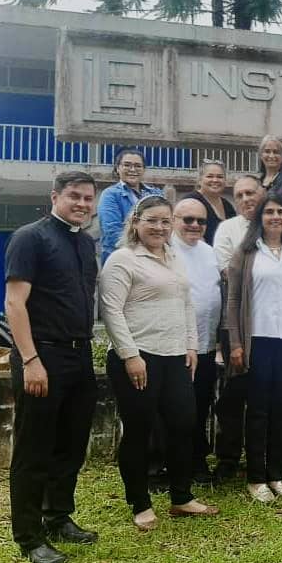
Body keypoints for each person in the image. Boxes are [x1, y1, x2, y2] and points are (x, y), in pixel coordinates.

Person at [99, 195, 219, 531]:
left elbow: (186, 304)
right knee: (140, 431)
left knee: (183, 424)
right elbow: (111, 311)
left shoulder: (173, 257)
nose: (159, 227)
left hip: (175, 356)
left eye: (166, 221)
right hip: (138, 358)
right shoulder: (123, 260)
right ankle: (140, 503)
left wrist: (191, 346)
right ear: (136, 222)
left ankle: (181, 497)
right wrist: (130, 355)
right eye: (152, 220)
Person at [5, 171, 99, 563]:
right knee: (34, 450)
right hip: (42, 356)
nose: (81, 204)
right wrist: (30, 360)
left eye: (88, 198)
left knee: (71, 446)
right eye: (74, 196)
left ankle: (58, 516)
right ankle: (29, 537)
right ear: (55, 197)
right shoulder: (31, 237)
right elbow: (14, 303)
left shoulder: (84, 242)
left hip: (79, 356)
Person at [225, 193, 282, 503]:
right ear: (260, 217)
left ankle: (275, 474)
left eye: (281, 212)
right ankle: (255, 478)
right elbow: (233, 300)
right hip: (258, 342)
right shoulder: (247, 253)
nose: (275, 216)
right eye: (269, 212)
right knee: (259, 410)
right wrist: (236, 342)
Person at [211, 174, 264, 483]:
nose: (246, 199)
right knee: (231, 398)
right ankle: (228, 459)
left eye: (251, 193)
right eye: (240, 194)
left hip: (270, 327)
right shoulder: (227, 229)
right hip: (235, 321)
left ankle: (265, 457)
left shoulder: (276, 226)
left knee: (264, 398)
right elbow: (228, 274)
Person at [170, 198, 222, 481]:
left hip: (205, 346)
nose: (194, 226)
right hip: (172, 347)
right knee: (168, 410)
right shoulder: (164, 250)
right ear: (175, 219)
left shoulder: (209, 252)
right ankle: (160, 465)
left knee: (200, 406)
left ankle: (197, 461)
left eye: (200, 221)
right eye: (187, 219)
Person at [97, 147, 164, 265]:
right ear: (118, 168)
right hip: (121, 260)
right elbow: (112, 233)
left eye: (138, 166)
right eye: (127, 165)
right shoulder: (110, 195)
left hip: (153, 259)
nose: (133, 169)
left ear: (144, 169)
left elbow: (164, 225)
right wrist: (142, 251)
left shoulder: (155, 194)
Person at [184, 159, 236, 245]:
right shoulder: (191, 201)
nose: (215, 180)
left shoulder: (227, 206)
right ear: (200, 180)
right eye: (210, 176)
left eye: (220, 177)